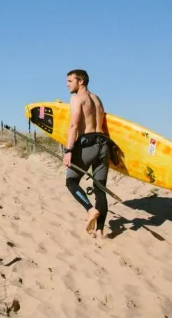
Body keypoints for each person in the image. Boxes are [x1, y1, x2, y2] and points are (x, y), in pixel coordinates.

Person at [62, 68, 111, 237]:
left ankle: (90, 210)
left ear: (80, 81)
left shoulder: (76, 98)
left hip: (88, 144)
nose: (67, 84)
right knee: (100, 189)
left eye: (70, 81)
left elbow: (74, 125)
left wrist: (68, 150)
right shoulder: (97, 99)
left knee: (71, 181)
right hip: (104, 144)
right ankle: (100, 231)